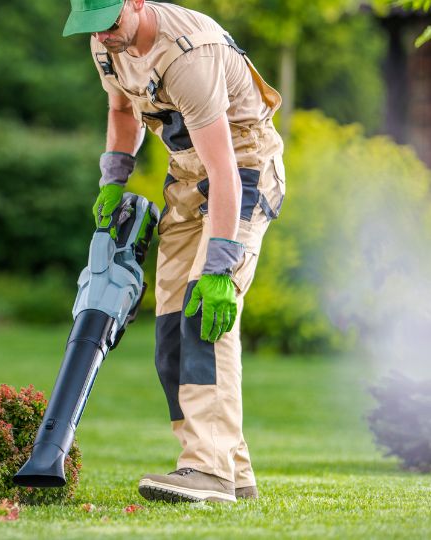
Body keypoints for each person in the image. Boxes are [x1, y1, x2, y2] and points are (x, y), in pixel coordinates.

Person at [64, 0, 286, 503]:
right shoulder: (106, 46)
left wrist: (221, 264)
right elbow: (123, 110)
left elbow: (226, 171)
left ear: (136, 3)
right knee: (169, 331)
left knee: (204, 311)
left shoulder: (190, 54)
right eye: (91, 29)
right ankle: (235, 471)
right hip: (187, 176)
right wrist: (112, 179)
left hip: (242, 168)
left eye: (110, 25)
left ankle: (208, 469)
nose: (103, 38)